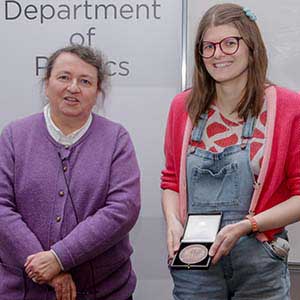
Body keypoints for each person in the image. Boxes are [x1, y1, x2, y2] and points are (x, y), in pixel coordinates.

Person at [161, 3, 300, 300]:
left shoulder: (287, 107)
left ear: (251, 47)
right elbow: (172, 182)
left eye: (229, 43)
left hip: (259, 262)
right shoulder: (183, 108)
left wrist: (248, 225)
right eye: (208, 46)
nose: (218, 54)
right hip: (195, 262)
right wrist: (173, 222)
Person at [0, 45, 140, 300]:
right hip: (22, 291)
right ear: (47, 84)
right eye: (64, 77)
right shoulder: (13, 136)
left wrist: (59, 257)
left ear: (97, 92)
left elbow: (123, 208)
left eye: (85, 81)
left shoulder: (116, 138)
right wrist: (45, 269)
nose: (73, 87)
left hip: (105, 291)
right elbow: (1, 207)